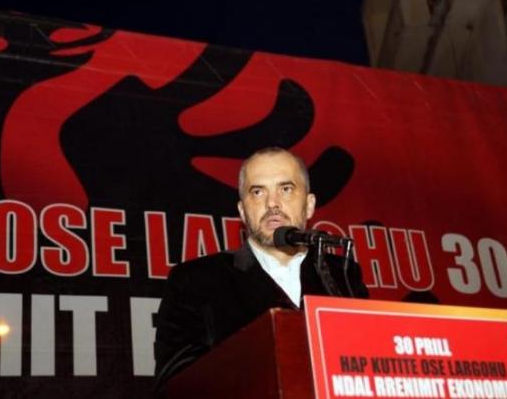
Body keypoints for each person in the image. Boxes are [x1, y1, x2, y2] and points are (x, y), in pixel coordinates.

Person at [153, 147, 368, 389]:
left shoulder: (343, 275)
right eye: (257, 192)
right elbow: (175, 385)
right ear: (243, 212)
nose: (272, 203)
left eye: (286, 189)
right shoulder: (196, 281)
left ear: (309, 205)